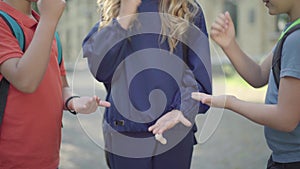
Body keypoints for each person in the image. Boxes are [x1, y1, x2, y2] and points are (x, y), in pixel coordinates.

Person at [82, 0, 212, 168]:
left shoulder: (187, 8)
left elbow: (201, 79)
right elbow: (101, 70)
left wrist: (181, 109)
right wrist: (123, 18)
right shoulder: (116, 7)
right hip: (125, 134)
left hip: (174, 132)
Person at [0, 0, 110, 168]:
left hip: (48, 159)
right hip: (11, 160)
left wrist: (73, 101)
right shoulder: (9, 23)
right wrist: (49, 19)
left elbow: (62, 84)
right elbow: (25, 81)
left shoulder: (44, 26)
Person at [192, 0, 300, 168]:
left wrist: (230, 103)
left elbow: (286, 119)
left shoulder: (296, 40)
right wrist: (229, 45)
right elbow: (259, 75)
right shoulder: (292, 30)